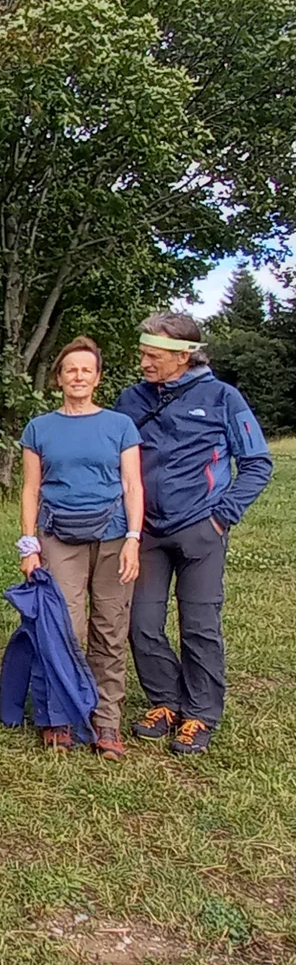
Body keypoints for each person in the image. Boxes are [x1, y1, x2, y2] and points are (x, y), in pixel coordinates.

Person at [113, 312, 273, 756]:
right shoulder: (132, 399)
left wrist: (221, 517)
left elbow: (257, 463)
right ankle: (165, 702)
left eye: (153, 355)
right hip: (146, 532)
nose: (143, 362)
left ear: (183, 356)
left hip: (201, 529)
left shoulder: (223, 397)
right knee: (141, 624)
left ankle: (200, 713)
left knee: (199, 626)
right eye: (143, 353)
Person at [18, 337, 144, 759]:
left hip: (112, 536)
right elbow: (31, 489)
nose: (78, 376)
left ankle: (106, 721)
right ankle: (61, 716)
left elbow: (132, 485)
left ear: (97, 378)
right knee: (64, 628)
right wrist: (28, 544)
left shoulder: (120, 426)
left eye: (86, 370)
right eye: (70, 369)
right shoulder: (39, 428)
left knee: (110, 628)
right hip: (58, 536)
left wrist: (133, 539)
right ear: (59, 378)